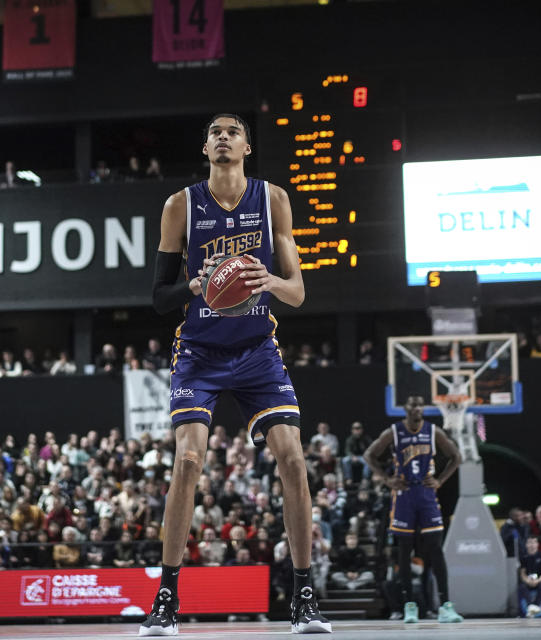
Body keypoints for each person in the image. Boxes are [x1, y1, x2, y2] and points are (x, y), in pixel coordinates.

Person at [140, 114, 330, 635]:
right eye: (215, 132)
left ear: (247, 145)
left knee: (293, 460)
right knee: (188, 460)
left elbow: (297, 292)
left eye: (233, 131)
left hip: (256, 351)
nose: (223, 137)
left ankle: (303, 596)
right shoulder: (180, 206)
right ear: (205, 147)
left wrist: (269, 278)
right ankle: (166, 597)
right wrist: (193, 288)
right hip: (200, 352)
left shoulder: (273, 200)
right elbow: (159, 298)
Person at [363, 395, 464, 625]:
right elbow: (369, 455)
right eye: (412, 404)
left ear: (423, 409)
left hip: (427, 495)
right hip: (404, 495)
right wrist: (387, 480)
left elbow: (456, 457)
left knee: (435, 549)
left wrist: (440, 480)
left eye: (420, 405)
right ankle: (409, 606)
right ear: (405, 408)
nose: (417, 408)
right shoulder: (395, 432)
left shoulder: (433, 431)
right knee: (403, 553)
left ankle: (446, 606)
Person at [518, 536, 541, 618]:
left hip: (539, 581)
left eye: (534, 542)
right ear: (526, 545)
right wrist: (527, 580)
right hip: (529, 581)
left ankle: (535, 606)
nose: (532, 545)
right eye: (530, 542)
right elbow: (522, 573)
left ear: (537, 544)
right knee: (522, 586)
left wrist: (538, 580)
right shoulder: (524, 557)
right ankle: (530, 606)